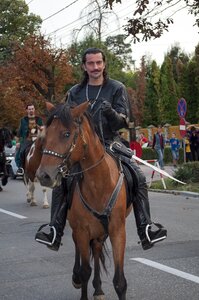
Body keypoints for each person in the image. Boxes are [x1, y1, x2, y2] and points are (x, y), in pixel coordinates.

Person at [35, 47, 167, 251]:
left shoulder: (117, 88)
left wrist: (111, 113)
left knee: (138, 177)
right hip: (81, 147)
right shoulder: (75, 92)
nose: (95, 67)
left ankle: (146, 227)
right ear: (84, 66)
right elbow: (64, 123)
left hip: (110, 143)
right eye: (90, 63)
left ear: (104, 64)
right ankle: (54, 230)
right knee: (62, 182)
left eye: (98, 63)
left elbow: (124, 121)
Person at [15, 103, 43, 175]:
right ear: (27, 110)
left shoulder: (39, 119)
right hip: (27, 140)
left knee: (47, 150)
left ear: (34, 110)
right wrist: (17, 142)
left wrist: (42, 128)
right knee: (21, 152)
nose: (31, 110)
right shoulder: (23, 120)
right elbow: (19, 132)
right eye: (29, 109)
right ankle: (21, 167)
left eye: (32, 109)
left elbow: (43, 130)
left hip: (37, 139)